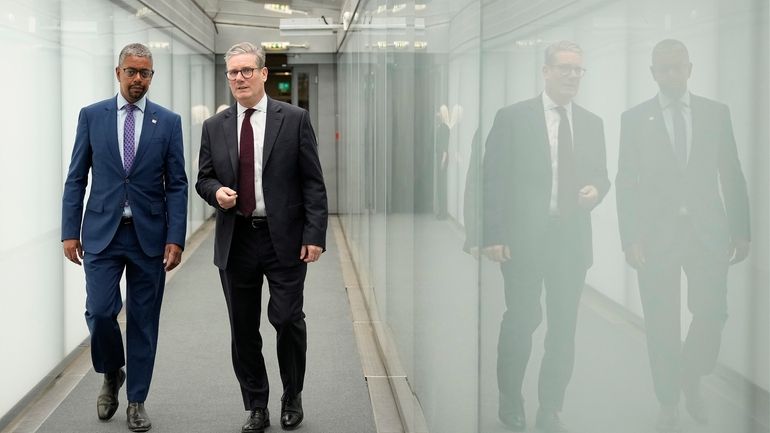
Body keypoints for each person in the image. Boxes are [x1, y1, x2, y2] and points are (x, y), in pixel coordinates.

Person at [615, 39, 750, 432]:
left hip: (708, 234)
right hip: (655, 238)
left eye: (678, 67)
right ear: (653, 73)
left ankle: (690, 375)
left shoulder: (715, 114)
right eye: (664, 68)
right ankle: (669, 400)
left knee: (712, 313)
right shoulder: (635, 119)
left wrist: (742, 230)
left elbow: (732, 172)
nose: (672, 74)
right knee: (661, 325)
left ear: (690, 68)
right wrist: (629, 238)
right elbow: (626, 181)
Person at [196, 42, 328, 433]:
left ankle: (292, 395)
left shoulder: (295, 119)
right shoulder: (214, 126)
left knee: (287, 320)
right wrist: (216, 192)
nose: (239, 78)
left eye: (246, 71)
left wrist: (315, 234)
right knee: (243, 327)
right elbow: (203, 177)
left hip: (284, 238)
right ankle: (256, 404)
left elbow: (313, 184)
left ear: (263, 74)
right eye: (232, 72)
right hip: (236, 239)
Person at [482, 40, 609, 433]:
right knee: (521, 320)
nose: (573, 76)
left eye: (578, 70)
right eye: (565, 68)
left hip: (570, 242)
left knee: (563, 328)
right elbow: (493, 180)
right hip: (523, 240)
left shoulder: (591, 122)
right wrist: (493, 234)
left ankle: (551, 405)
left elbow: (602, 175)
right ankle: (510, 400)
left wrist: (597, 190)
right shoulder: (514, 117)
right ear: (546, 71)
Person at [61, 43, 188, 432]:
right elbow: (77, 177)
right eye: (131, 71)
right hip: (101, 234)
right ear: (118, 73)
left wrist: (176, 236)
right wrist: (69, 231)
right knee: (100, 312)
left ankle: (136, 400)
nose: (138, 79)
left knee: (143, 321)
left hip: (149, 236)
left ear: (152, 76)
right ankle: (112, 370)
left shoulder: (168, 121)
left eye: (145, 73)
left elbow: (177, 184)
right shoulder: (92, 116)